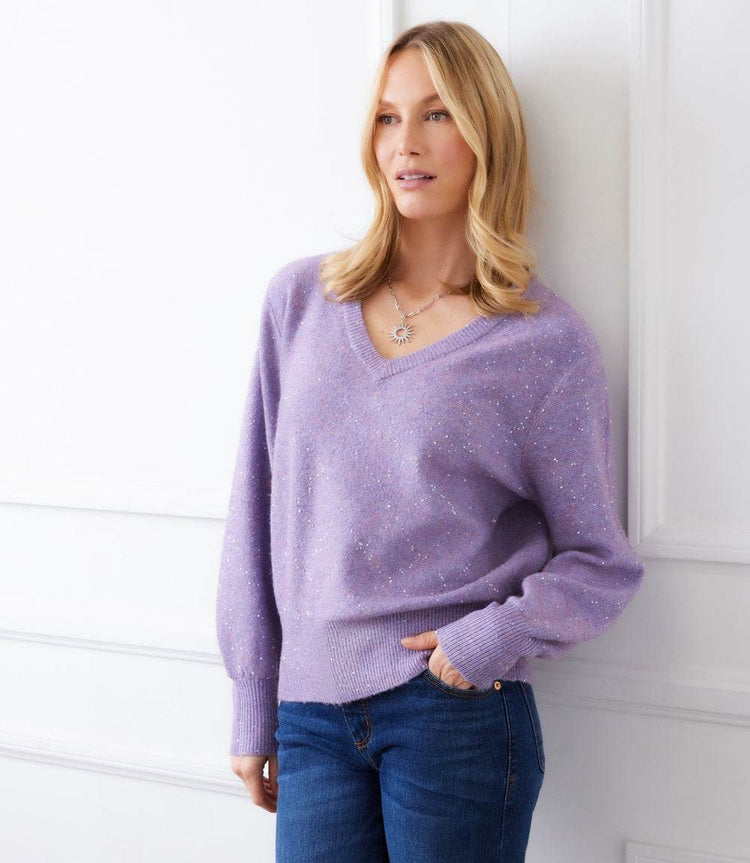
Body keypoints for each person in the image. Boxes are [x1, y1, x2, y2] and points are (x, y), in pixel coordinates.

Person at [215, 19, 645, 863]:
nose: (404, 143)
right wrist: (252, 696)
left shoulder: (542, 344)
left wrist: (488, 637)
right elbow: (253, 511)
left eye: (436, 114)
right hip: (309, 717)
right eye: (386, 116)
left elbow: (601, 561)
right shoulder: (301, 303)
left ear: (487, 133)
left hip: (454, 713)